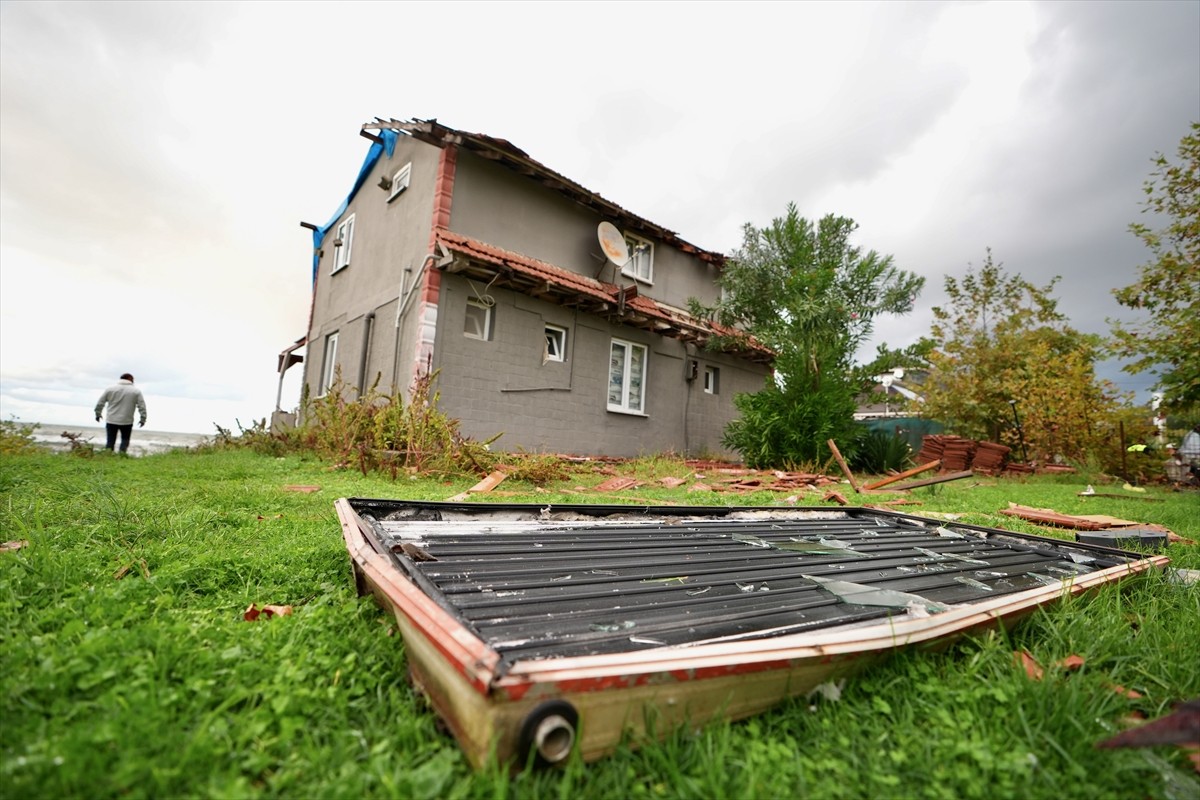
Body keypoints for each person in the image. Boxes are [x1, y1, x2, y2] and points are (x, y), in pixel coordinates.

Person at [94, 373, 148, 453]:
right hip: (127, 420)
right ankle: (122, 456)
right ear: (130, 379)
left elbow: (100, 403)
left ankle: (108, 456)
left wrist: (98, 414)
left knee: (110, 441)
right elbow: (142, 406)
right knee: (125, 440)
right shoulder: (136, 391)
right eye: (133, 379)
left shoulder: (110, 389)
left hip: (111, 419)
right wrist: (143, 419)